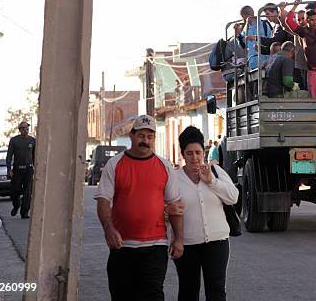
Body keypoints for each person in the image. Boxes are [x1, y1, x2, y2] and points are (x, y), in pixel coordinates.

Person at [96, 114, 184, 301]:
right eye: (141, 136)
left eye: (150, 137)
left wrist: (178, 239)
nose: (145, 141)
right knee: (122, 296)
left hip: (156, 247)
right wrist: (108, 229)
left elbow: (175, 206)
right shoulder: (115, 164)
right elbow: (103, 200)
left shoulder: (164, 166)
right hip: (122, 247)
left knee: (153, 295)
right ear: (132, 136)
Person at [174, 126, 239, 301]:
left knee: (216, 290)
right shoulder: (174, 179)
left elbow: (233, 198)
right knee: (188, 291)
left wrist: (211, 182)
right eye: (189, 153)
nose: (194, 158)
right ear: (183, 154)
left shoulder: (216, 172)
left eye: (198, 152)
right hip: (187, 245)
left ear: (204, 152)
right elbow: (168, 209)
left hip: (217, 242)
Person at [286, 0, 316, 98]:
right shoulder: (303, 31)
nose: (314, 22)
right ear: (306, 20)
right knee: (313, 99)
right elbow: (288, 21)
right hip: (312, 71)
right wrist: (295, 5)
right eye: (311, 20)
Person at [6, 121, 36, 219]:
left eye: (27, 128)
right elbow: (9, 156)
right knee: (15, 191)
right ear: (19, 130)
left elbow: (35, 156)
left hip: (28, 169)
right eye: (23, 128)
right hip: (17, 169)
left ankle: (24, 212)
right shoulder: (14, 140)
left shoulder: (32, 140)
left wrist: (36, 168)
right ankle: (16, 205)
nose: (25, 130)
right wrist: (9, 169)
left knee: (27, 192)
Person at [241, 5, 272, 70]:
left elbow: (271, 40)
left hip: (266, 62)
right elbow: (243, 46)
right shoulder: (245, 29)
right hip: (253, 64)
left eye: (243, 17)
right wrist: (238, 35)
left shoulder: (264, 24)